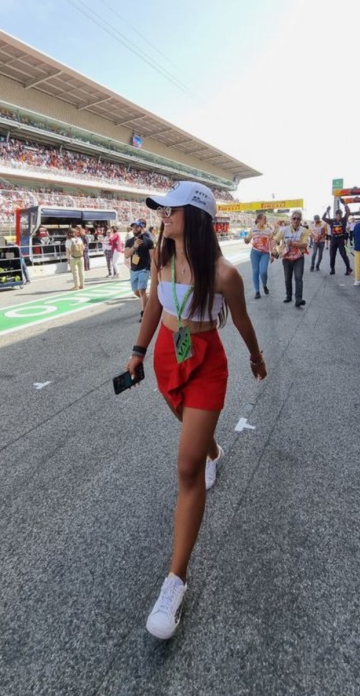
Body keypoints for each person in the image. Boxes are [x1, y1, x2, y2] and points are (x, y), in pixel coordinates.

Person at [125, 181, 267, 640]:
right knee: (192, 435)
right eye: (162, 210)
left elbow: (242, 320)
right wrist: (138, 351)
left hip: (206, 365)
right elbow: (153, 305)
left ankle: (175, 581)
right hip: (168, 356)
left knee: (186, 468)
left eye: (171, 209)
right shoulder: (160, 257)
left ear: (198, 217)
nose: (162, 215)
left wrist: (256, 357)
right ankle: (212, 450)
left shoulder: (224, 273)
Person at [274, 211, 310, 307]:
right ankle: (288, 296)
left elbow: (305, 244)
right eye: (294, 218)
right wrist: (273, 249)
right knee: (287, 278)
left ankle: (298, 299)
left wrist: (293, 244)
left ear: (300, 220)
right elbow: (275, 240)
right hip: (286, 258)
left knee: (298, 278)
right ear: (291, 219)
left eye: (298, 218)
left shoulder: (304, 230)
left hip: (298, 258)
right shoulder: (284, 230)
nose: (296, 220)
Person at [124, 220, 154, 321]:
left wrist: (154, 270)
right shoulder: (129, 241)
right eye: (133, 227)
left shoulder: (148, 241)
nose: (135, 229)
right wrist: (135, 246)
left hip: (144, 268)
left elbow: (152, 257)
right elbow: (126, 255)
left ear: (141, 228)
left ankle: (144, 313)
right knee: (136, 291)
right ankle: (148, 302)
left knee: (142, 290)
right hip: (134, 269)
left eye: (137, 227)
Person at [243, 212, 274, 298]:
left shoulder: (268, 230)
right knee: (255, 271)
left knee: (263, 272)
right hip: (255, 253)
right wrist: (246, 240)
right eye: (264, 219)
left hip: (265, 253)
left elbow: (272, 242)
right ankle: (257, 291)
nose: (266, 221)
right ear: (258, 220)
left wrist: (272, 254)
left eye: (266, 219)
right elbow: (248, 240)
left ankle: (264, 285)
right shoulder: (253, 229)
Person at [322, 203, 352, 275]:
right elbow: (323, 218)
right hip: (333, 239)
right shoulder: (332, 221)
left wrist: (345, 205)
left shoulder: (344, 220)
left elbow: (348, 212)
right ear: (335, 215)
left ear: (341, 215)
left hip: (341, 239)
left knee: (343, 254)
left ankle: (348, 268)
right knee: (332, 255)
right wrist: (326, 211)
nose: (338, 217)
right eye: (337, 215)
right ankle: (332, 269)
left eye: (340, 215)